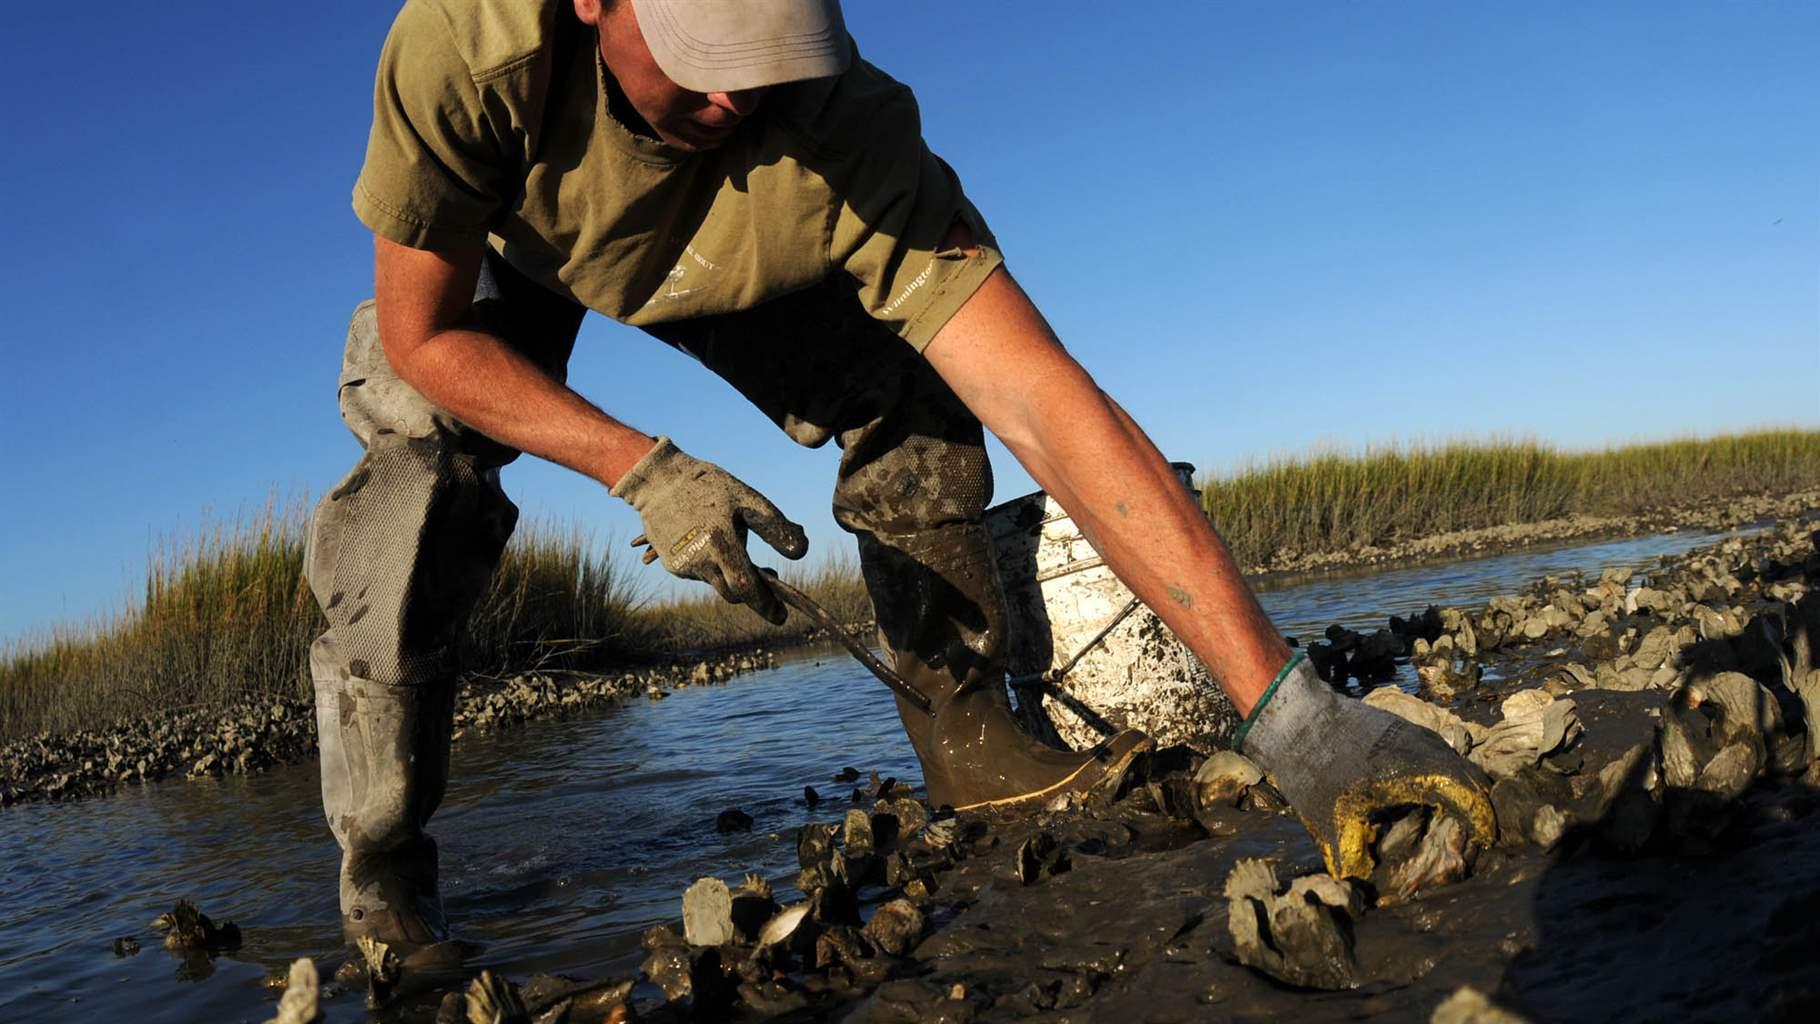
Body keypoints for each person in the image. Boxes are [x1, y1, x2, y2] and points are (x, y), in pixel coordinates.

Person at [307, 0, 1495, 954]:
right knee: (417, 477)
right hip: (506, 258)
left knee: (922, 389)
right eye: (703, 56)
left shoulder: (840, 125)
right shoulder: (465, 51)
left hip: (733, 253)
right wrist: (641, 465)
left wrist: (1288, 712)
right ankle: (384, 865)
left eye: (762, 57)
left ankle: (962, 727)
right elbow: (424, 335)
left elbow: (1039, 395)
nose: (732, 93)